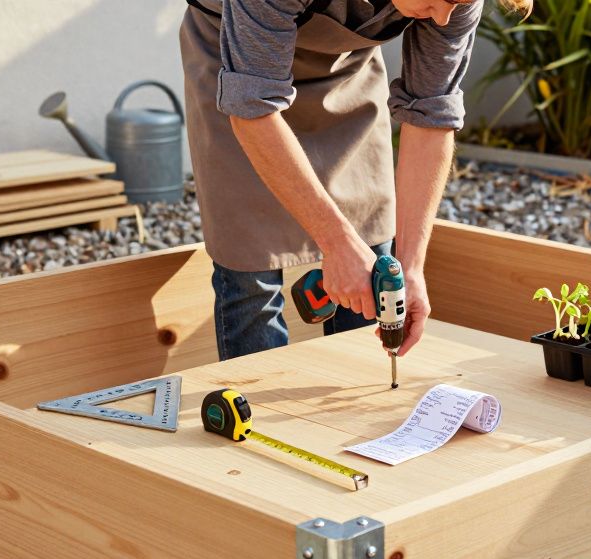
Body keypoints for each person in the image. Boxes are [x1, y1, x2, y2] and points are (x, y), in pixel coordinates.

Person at [181, 0, 530, 361]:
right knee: (251, 272)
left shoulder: (452, 5)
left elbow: (431, 115)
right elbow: (253, 112)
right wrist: (336, 243)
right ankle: (258, 408)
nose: (445, 17)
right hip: (239, 67)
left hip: (346, 71)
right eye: (442, 0)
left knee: (374, 254)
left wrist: (409, 268)